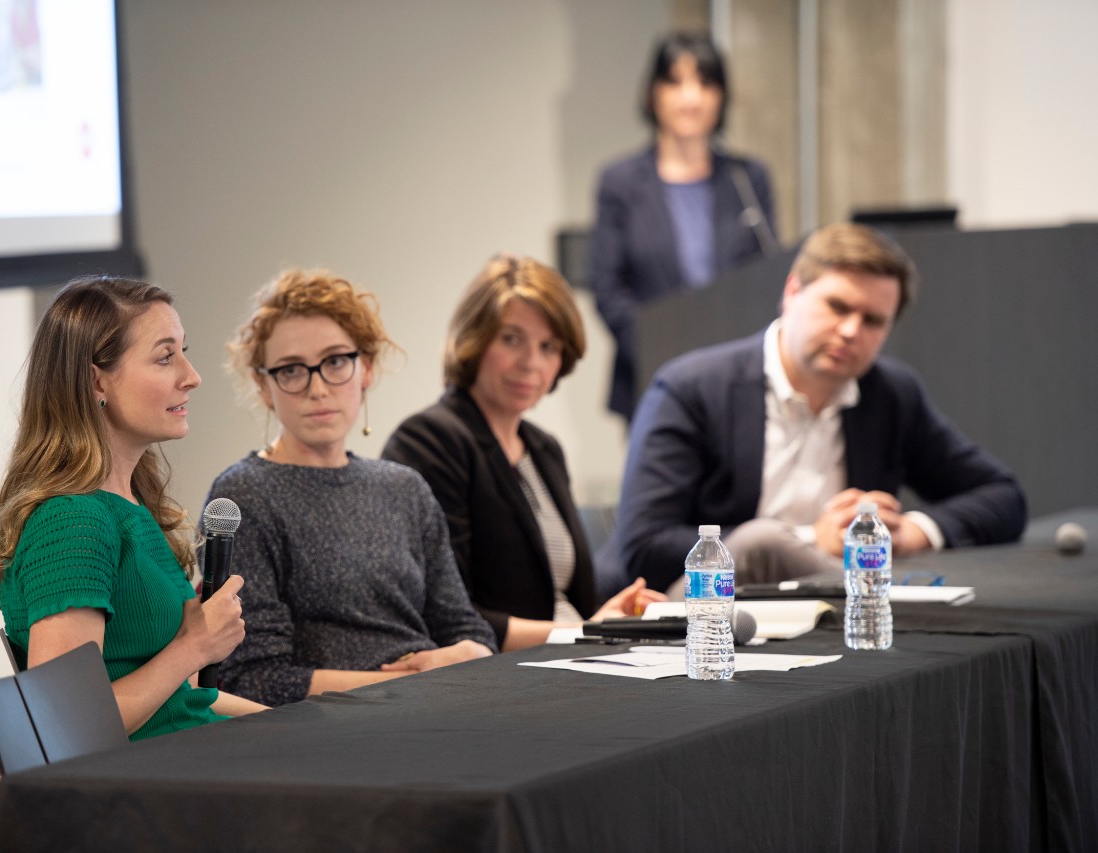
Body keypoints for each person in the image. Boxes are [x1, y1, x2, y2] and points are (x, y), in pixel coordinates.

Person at [607, 223, 1028, 593]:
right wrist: (812, 539)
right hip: (704, 623)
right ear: (792, 291)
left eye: (873, 321)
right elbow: (645, 548)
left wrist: (912, 533)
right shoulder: (692, 388)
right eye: (838, 307)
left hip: (830, 622)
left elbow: (1002, 497)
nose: (850, 331)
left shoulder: (890, 395)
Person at [0, 276, 267, 741]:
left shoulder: (127, 506)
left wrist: (293, 721)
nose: (192, 376)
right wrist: (193, 646)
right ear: (95, 381)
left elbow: (178, 697)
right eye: (166, 357)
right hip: (147, 795)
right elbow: (64, 726)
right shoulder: (72, 522)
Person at [207, 269, 498, 707]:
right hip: (328, 733)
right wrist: (406, 687)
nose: (318, 388)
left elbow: (469, 631)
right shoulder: (245, 494)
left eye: (336, 362)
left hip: (437, 706)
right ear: (264, 387)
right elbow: (253, 678)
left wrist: (465, 655)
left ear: (367, 369)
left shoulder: (405, 488)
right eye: (291, 370)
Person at [382, 253, 663, 650]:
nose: (532, 362)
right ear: (474, 340)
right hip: (500, 677)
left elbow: (566, 601)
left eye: (548, 346)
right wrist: (585, 632)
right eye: (511, 339)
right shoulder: (429, 441)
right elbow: (446, 615)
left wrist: (606, 617)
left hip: (576, 659)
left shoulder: (544, 449)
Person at [590, 31, 776, 422]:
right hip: (653, 377)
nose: (691, 98)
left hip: (738, 377)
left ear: (722, 96)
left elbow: (766, 275)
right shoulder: (620, 182)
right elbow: (607, 287)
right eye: (675, 82)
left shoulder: (748, 179)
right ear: (652, 93)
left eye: (705, 83)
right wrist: (659, 346)